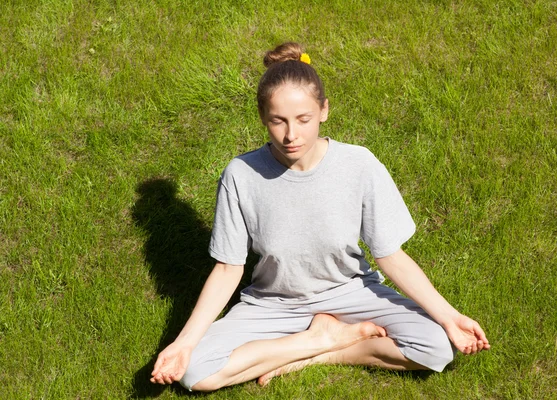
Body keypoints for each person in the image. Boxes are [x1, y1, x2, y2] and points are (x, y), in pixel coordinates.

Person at [150, 42, 490, 392]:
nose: (291, 135)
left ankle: (325, 352)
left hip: (350, 292)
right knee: (195, 372)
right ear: (262, 118)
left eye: (303, 119)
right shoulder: (241, 175)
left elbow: (390, 256)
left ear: (324, 110)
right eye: (277, 121)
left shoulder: (358, 165)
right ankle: (319, 341)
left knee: (438, 345)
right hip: (273, 304)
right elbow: (227, 269)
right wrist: (184, 343)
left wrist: (450, 317)